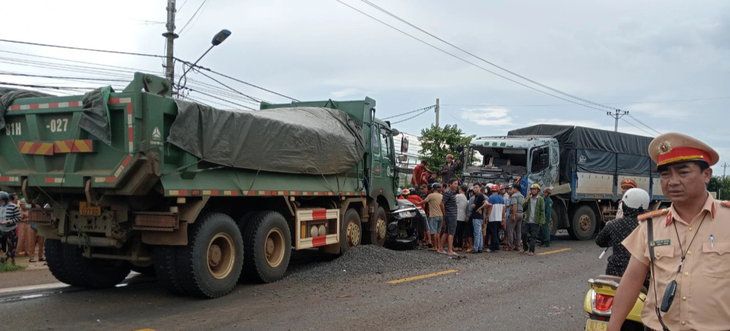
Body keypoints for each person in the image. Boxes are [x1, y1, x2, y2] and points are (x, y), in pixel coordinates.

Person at [609, 132, 730, 331]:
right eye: (665, 174)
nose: (672, 181)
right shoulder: (650, 226)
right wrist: (613, 327)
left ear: (706, 175)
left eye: (683, 172)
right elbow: (631, 280)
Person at [595, 188, 651, 288]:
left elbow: (599, 241)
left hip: (614, 273)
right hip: (642, 276)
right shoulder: (651, 226)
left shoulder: (613, 224)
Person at [415, 183, 444, 253]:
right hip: (441, 215)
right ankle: (439, 247)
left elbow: (423, 202)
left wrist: (416, 202)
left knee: (434, 232)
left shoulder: (431, 195)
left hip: (433, 215)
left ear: (433, 189)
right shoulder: (442, 196)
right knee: (438, 232)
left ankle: (435, 247)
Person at [521, 184, 545, 256]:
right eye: (532, 189)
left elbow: (542, 210)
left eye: (535, 189)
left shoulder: (540, 199)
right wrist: (528, 197)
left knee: (533, 236)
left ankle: (531, 250)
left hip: (535, 221)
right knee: (524, 233)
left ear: (538, 190)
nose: (533, 190)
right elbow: (523, 205)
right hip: (527, 220)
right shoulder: (529, 198)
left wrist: (541, 220)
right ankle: (525, 247)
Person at [0, 191, 21, 264]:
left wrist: (9, 221)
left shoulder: (13, 206)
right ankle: (2, 256)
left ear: (4, 199)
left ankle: (10, 262)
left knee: (11, 246)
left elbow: (18, 218)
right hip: (1, 229)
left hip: (10, 229)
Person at [440, 179, 459, 256]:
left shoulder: (452, 192)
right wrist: (444, 214)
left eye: (457, 184)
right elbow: (441, 203)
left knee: (447, 232)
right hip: (451, 214)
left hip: (451, 214)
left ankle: (440, 248)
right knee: (451, 233)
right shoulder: (448, 193)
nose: (456, 185)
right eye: (455, 183)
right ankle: (450, 250)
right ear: (450, 184)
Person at [486, 185, 505, 253]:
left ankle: (492, 247)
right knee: (496, 232)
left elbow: (490, 208)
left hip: (492, 218)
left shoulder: (490, 198)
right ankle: (497, 246)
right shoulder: (501, 198)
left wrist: (487, 216)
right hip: (499, 218)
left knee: (493, 233)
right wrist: (503, 218)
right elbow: (503, 209)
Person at [469, 183, 487, 253]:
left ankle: (476, 248)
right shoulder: (477, 196)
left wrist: (479, 208)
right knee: (479, 233)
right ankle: (479, 247)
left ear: (480, 188)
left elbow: (486, 203)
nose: (475, 189)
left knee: (477, 233)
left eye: (476, 187)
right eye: (474, 187)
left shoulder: (480, 195)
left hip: (477, 217)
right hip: (478, 217)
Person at [506, 184, 524, 251]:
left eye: (512, 188)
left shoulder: (514, 196)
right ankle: (517, 246)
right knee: (518, 230)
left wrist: (513, 215)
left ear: (515, 189)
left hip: (515, 213)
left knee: (510, 229)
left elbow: (515, 205)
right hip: (521, 213)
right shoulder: (522, 196)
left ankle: (510, 246)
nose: (511, 190)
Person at [454, 185, 468, 252]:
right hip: (463, 217)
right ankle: (460, 246)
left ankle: (455, 246)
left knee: (455, 232)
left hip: (457, 216)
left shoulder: (458, 196)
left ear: (461, 189)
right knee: (461, 233)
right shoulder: (465, 197)